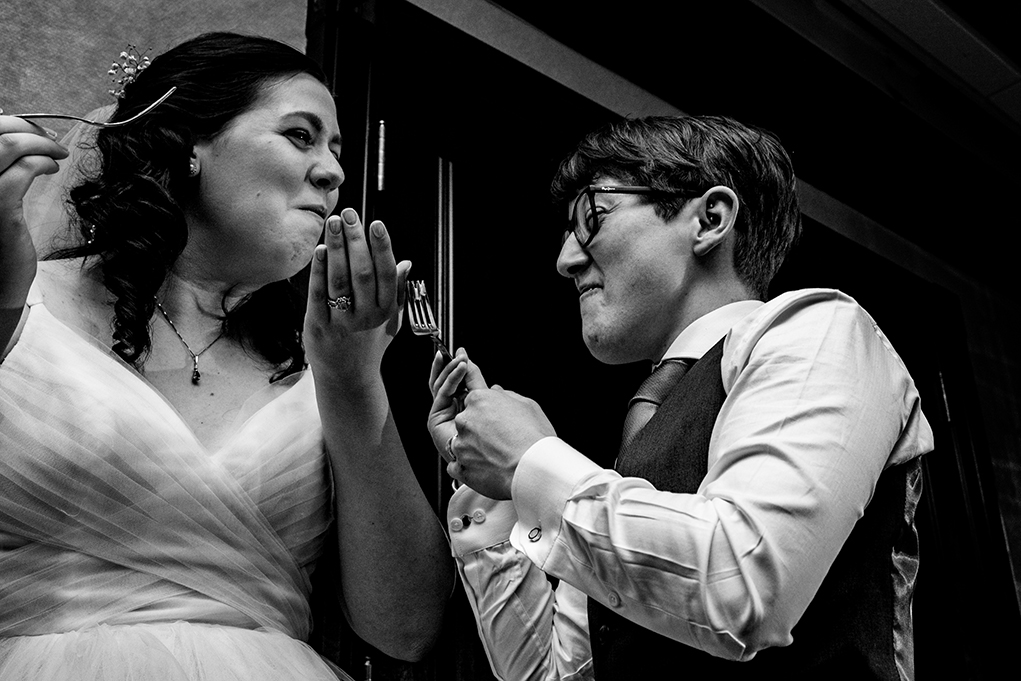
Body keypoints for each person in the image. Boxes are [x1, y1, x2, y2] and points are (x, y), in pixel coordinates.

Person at [0, 32, 451, 680]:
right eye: (301, 135)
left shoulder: (316, 373)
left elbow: (407, 628)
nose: (333, 171)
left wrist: (352, 382)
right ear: (188, 146)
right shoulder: (20, 305)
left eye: (337, 150)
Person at [427, 115, 933, 680]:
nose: (565, 258)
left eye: (592, 216)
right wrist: (496, 486)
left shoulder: (819, 330)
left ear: (710, 220)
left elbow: (745, 584)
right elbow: (547, 673)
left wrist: (531, 461)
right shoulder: (629, 465)